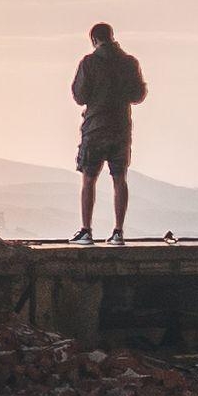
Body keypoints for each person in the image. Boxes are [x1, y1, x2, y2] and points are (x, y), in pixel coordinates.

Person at [70, 21, 146, 242]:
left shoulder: (89, 63)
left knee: (88, 179)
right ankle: (118, 231)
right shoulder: (130, 63)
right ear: (112, 37)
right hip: (121, 128)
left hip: (95, 127)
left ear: (94, 40)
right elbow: (138, 95)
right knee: (119, 178)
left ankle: (86, 230)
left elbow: (79, 96)